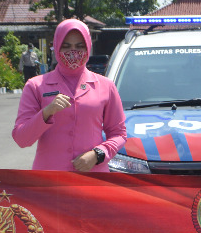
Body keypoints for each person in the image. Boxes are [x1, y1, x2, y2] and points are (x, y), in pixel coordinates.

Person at [12, 19, 126, 171]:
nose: (73, 52)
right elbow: (22, 139)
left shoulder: (106, 86)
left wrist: (98, 154)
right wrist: (46, 112)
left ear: (88, 47)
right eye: (66, 46)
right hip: (49, 180)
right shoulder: (35, 86)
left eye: (79, 46)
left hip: (93, 180)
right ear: (57, 47)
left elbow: (119, 134)